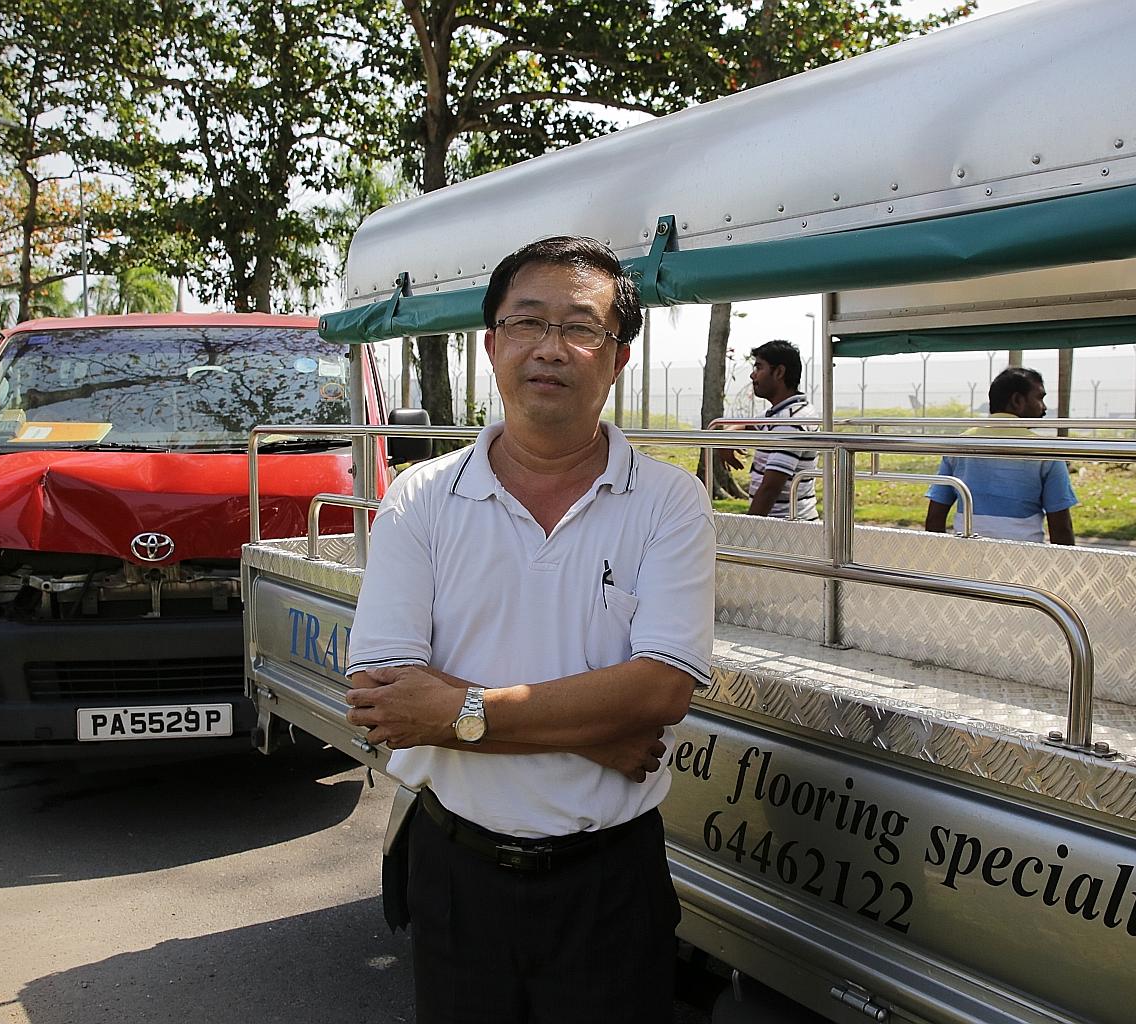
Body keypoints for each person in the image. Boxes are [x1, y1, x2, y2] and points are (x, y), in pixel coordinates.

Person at [344, 236, 716, 1024]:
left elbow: (661, 687)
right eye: (526, 322)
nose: (551, 348)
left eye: (582, 327)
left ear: (616, 359)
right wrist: (593, 734)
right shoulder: (421, 498)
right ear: (491, 344)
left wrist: (453, 711)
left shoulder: (669, 503)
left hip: (611, 883)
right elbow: (383, 698)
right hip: (456, 874)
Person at [924, 366, 1078, 544]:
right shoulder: (1045, 451)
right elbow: (1061, 526)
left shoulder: (959, 445)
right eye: (1040, 398)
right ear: (1017, 400)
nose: (1044, 408)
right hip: (1024, 559)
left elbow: (935, 517)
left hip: (966, 556)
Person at [719, 339, 820, 519]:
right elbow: (750, 424)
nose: (753, 376)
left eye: (759, 368)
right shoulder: (781, 413)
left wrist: (749, 531)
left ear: (779, 372)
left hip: (785, 528)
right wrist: (727, 438)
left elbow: (770, 489)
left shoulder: (791, 422)